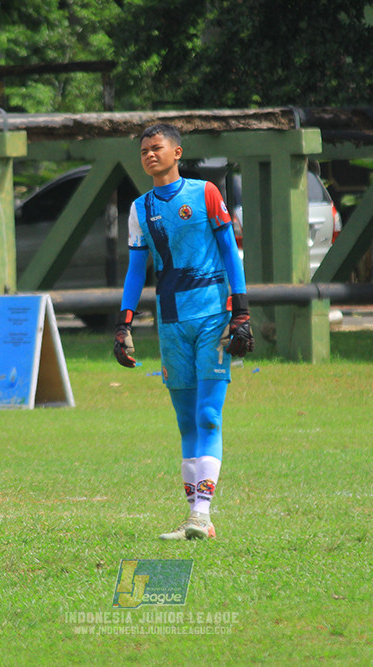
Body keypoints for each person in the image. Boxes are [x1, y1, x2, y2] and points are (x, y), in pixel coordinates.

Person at [114, 123, 254, 541]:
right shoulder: (139, 209)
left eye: (156, 148)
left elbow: (230, 251)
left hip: (213, 317)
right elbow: (136, 270)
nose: (149, 155)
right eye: (143, 151)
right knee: (185, 421)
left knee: (208, 415)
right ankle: (198, 519)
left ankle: (200, 513)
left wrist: (241, 311)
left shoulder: (205, 193)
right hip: (171, 321)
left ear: (177, 152)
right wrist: (123, 323)